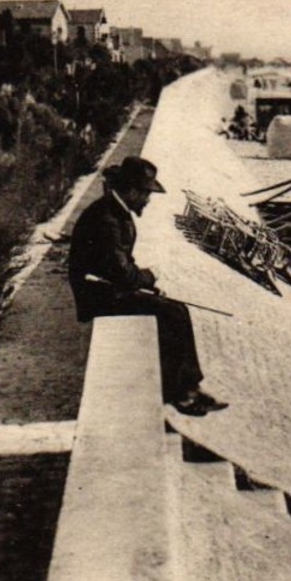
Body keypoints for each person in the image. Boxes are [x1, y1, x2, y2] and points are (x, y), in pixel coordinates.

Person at [67, 156, 227, 416]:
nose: (148, 201)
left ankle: (188, 387)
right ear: (131, 191)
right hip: (97, 295)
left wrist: (145, 286)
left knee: (175, 309)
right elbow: (123, 274)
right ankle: (180, 393)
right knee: (172, 313)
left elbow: (120, 268)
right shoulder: (107, 220)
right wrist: (150, 277)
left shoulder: (114, 211)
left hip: (107, 288)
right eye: (146, 194)